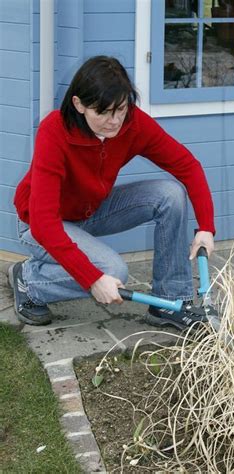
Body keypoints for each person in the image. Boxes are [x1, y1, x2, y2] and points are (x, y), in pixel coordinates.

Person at [8, 56, 215, 329]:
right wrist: (93, 279)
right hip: (39, 222)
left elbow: (188, 166)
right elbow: (45, 223)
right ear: (79, 105)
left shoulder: (133, 123)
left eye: (120, 109)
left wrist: (206, 228)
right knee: (112, 271)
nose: (114, 121)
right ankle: (30, 280)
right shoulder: (54, 131)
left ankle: (170, 301)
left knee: (170, 194)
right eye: (103, 112)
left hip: (90, 210)